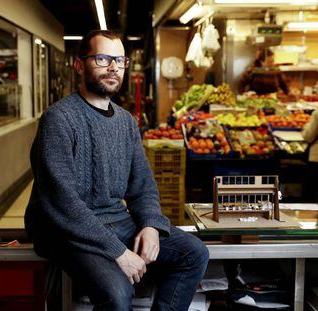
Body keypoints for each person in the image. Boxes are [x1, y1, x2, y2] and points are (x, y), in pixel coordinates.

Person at [24, 30, 209, 310]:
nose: (113, 67)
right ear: (79, 65)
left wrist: (150, 224)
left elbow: (143, 185)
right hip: (65, 230)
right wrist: (118, 251)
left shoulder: (125, 121)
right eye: (102, 58)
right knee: (117, 293)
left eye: (120, 61)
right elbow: (62, 202)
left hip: (114, 221)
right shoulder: (59, 119)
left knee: (193, 253)